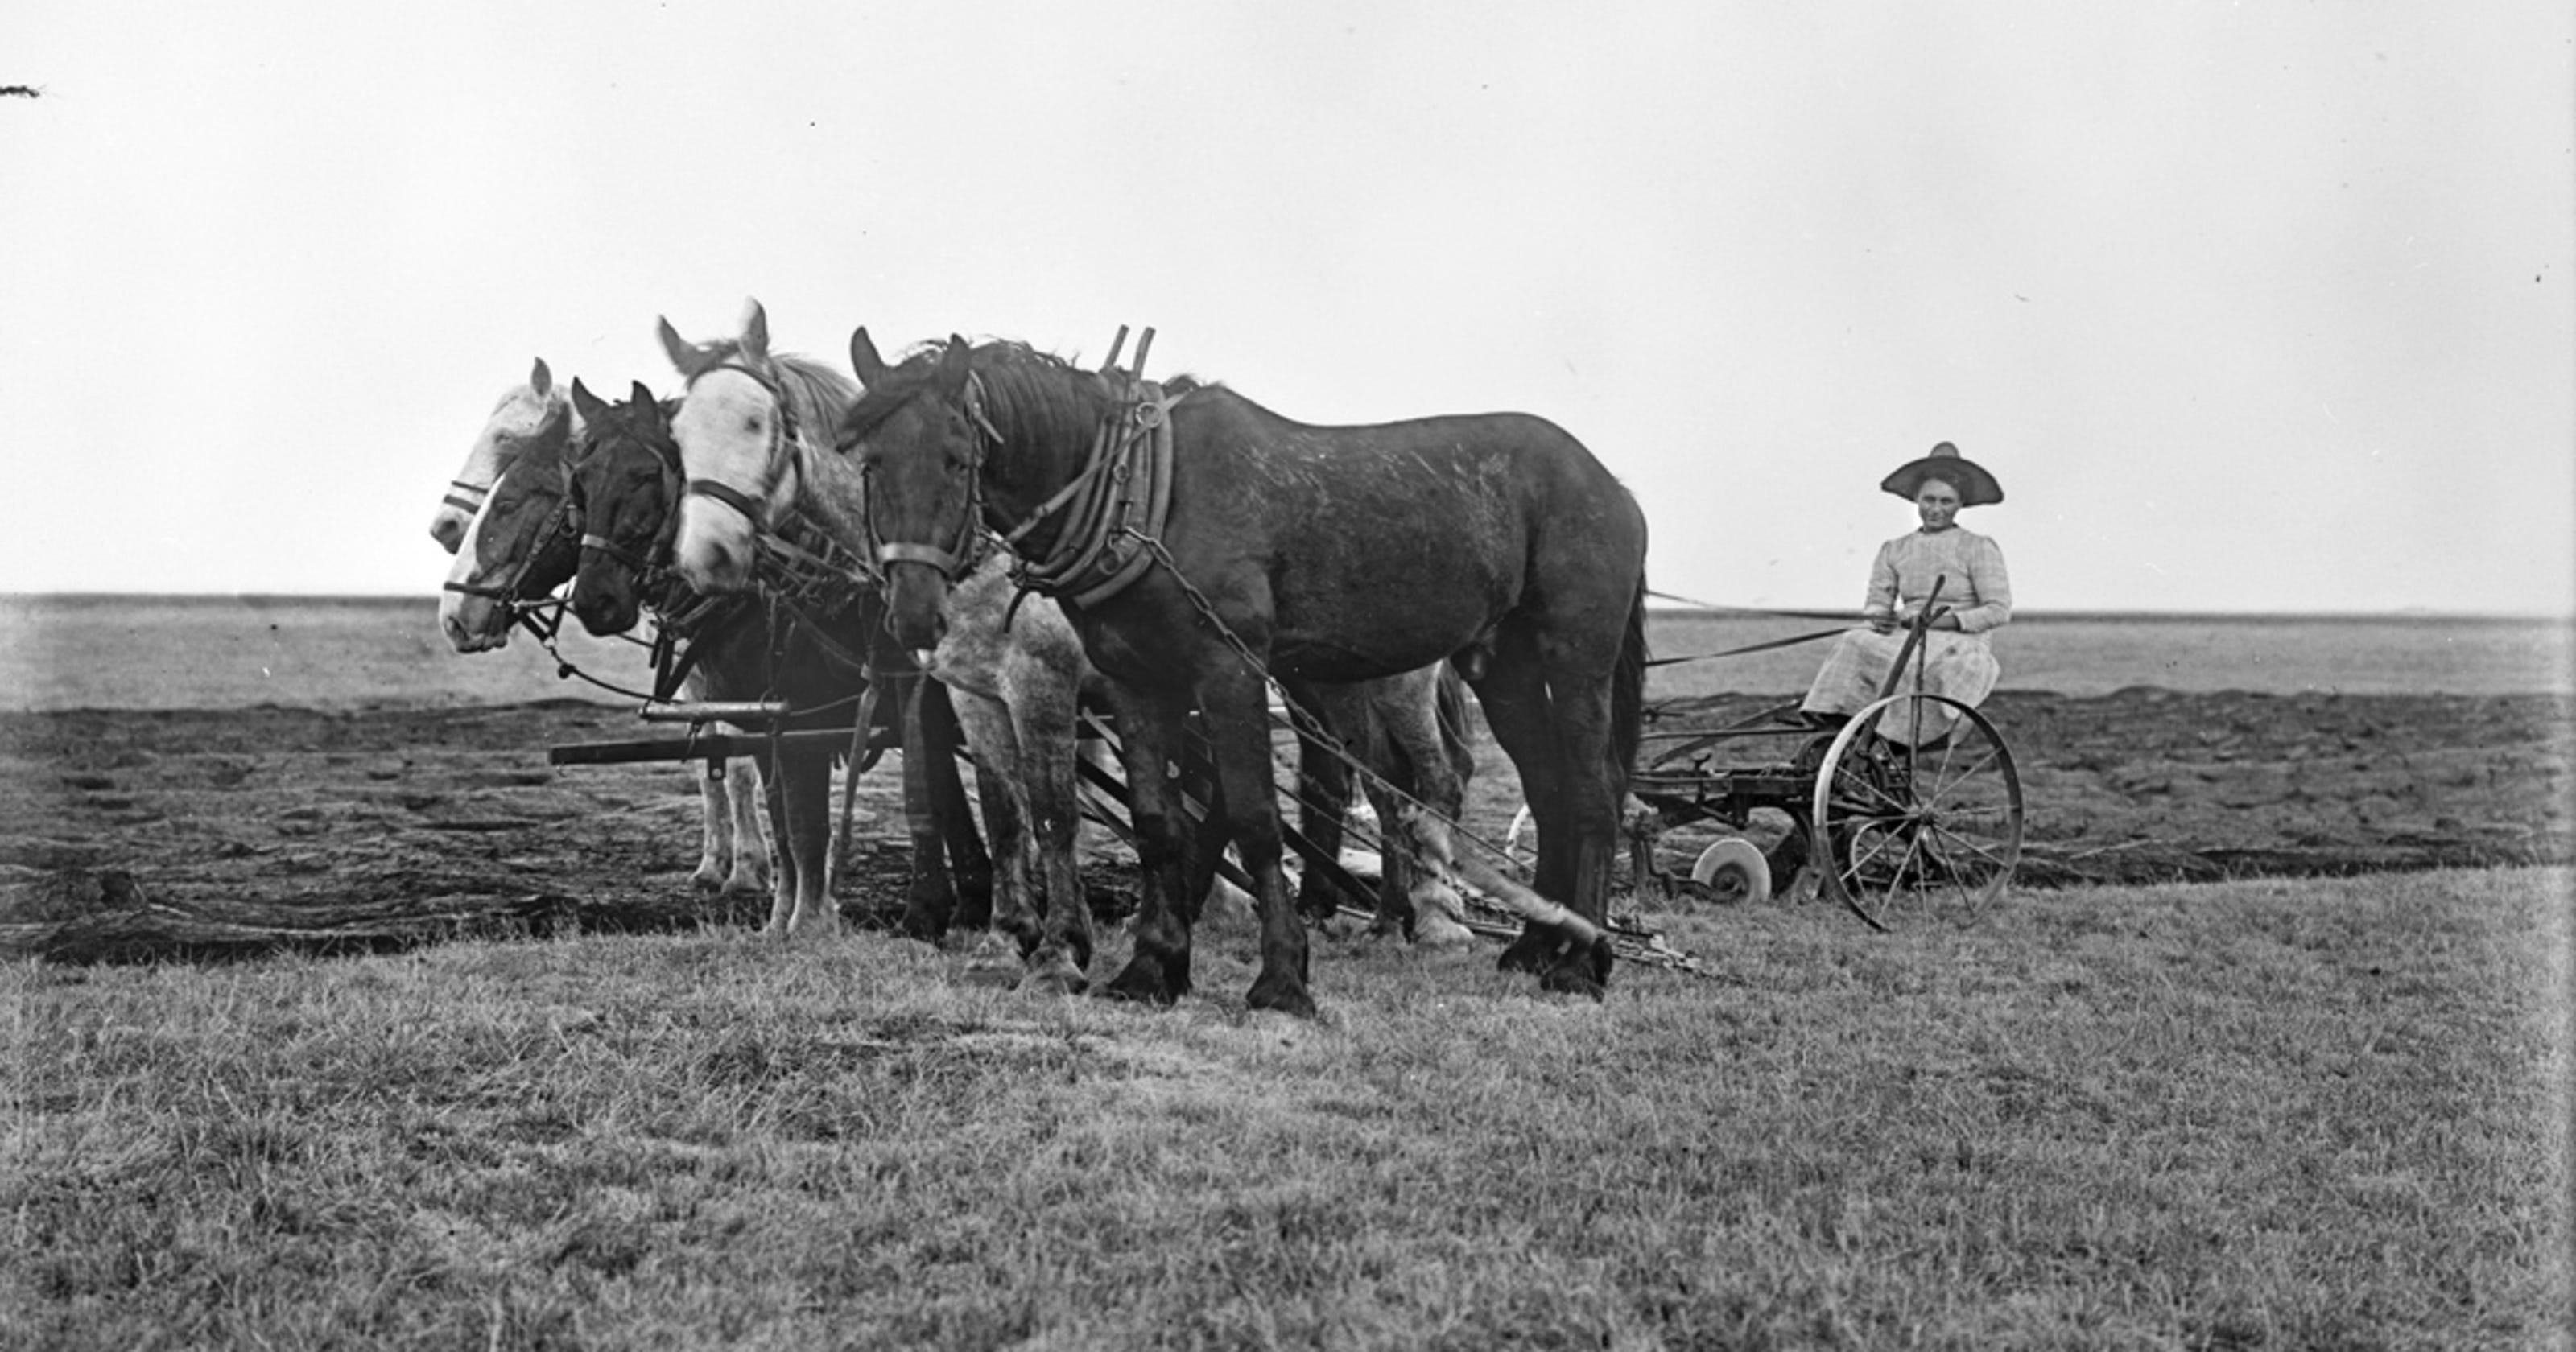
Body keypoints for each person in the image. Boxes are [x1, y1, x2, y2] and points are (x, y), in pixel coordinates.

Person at [1798, 441, 2013, 747]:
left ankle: (1895, 733)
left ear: (1959, 504)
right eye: (1928, 500)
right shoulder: (1895, 549)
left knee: (1915, 660)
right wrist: (1880, 617)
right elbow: (1877, 601)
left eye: (1946, 501)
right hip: (1906, 634)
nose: (1935, 509)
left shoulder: (1977, 547)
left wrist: (1937, 622)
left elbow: (1998, 610)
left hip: (1960, 645)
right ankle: (1835, 721)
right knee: (1853, 640)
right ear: (1916, 500)